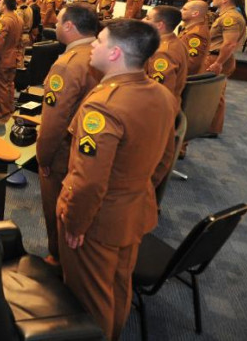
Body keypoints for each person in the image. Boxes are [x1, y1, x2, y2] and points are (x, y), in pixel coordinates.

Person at [57, 20, 177, 341]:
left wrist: (75, 222)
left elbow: (89, 181)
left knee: (90, 298)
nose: (92, 45)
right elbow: (166, 157)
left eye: (99, 41)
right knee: (119, 288)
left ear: (115, 53)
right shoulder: (163, 95)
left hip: (97, 223)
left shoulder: (103, 106)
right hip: (134, 212)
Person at [36, 5, 101, 265]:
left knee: (58, 211)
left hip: (64, 152)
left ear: (69, 26)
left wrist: (43, 157)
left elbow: (54, 120)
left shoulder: (68, 64)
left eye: (59, 20)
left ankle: (58, 260)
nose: (55, 23)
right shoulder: (98, 54)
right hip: (89, 149)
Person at [205, 0, 247, 135]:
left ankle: (211, 129)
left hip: (218, 58)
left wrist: (218, 63)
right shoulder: (224, 15)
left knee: (215, 94)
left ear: (225, 0)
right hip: (216, 57)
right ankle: (209, 126)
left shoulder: (231, 18)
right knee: (211, 93)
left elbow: (229, 43)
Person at [143, 6, 188, 101]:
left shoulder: (162, 52)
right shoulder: (176, 42)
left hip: (158, 107)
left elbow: (160, 92)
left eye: (147, 18)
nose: (143, 20)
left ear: (159, 25)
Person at [0, 0, 23, 122]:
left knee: (0, 88)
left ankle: (3, 115)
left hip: (2, 60)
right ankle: (9, 111)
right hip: (13, 57)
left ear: (4, 5)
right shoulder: (18, 19)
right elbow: (20, 41)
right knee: (9, 86)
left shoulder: (3, 21)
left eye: (0, 2)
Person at [178, 0, 211, 75]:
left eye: (184, 9)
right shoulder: (191, 29)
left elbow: (191, 63)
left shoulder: (195, 34)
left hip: (185, 78)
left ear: (195, 13)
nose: (180, 11)